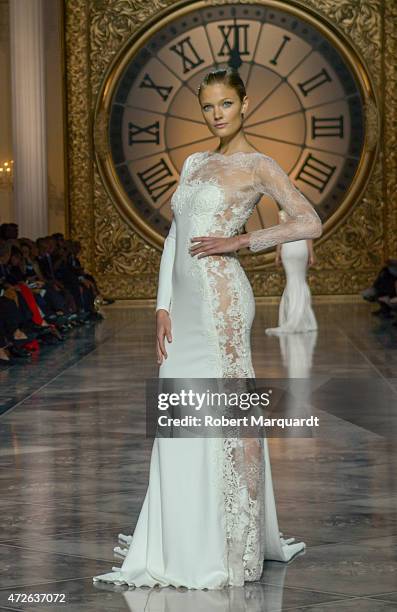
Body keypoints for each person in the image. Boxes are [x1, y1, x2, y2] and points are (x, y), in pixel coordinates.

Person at [93, 68, 322, 589]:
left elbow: (309, 221)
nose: (216, 114)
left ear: (245, 104)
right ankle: (180, 536)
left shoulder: (259, 165)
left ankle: (231, 542)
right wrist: (161, 305)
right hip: (185, 307)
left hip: (222, 301)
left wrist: (241, 242)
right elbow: (176, 232)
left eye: (225, 104)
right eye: (208, 107)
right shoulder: (195, 162)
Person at [266, 210, 317, 335]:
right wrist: (311, 253)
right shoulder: (305, 212)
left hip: (288, 249)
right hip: (301, 248)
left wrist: (278, 253)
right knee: (300, 281)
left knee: (293, 281)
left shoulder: (282, 214)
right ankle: (304, 319)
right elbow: (308, 235)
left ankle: (295, 318)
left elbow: (280, 235)